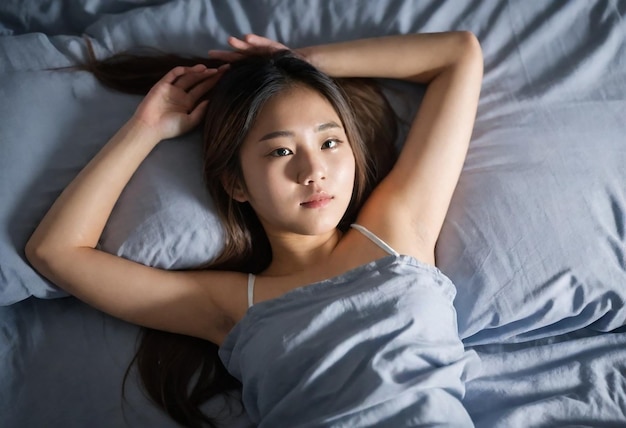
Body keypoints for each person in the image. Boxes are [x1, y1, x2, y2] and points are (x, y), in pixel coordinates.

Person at [26, 32, 483, 427]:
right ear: (236, 184)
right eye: (280, 152)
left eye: (329, 142)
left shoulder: (397, 231)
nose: (313, 171)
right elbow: (56, 251)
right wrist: (145, 129)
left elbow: (458, 54)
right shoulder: (230, 306)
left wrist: (302, 65)